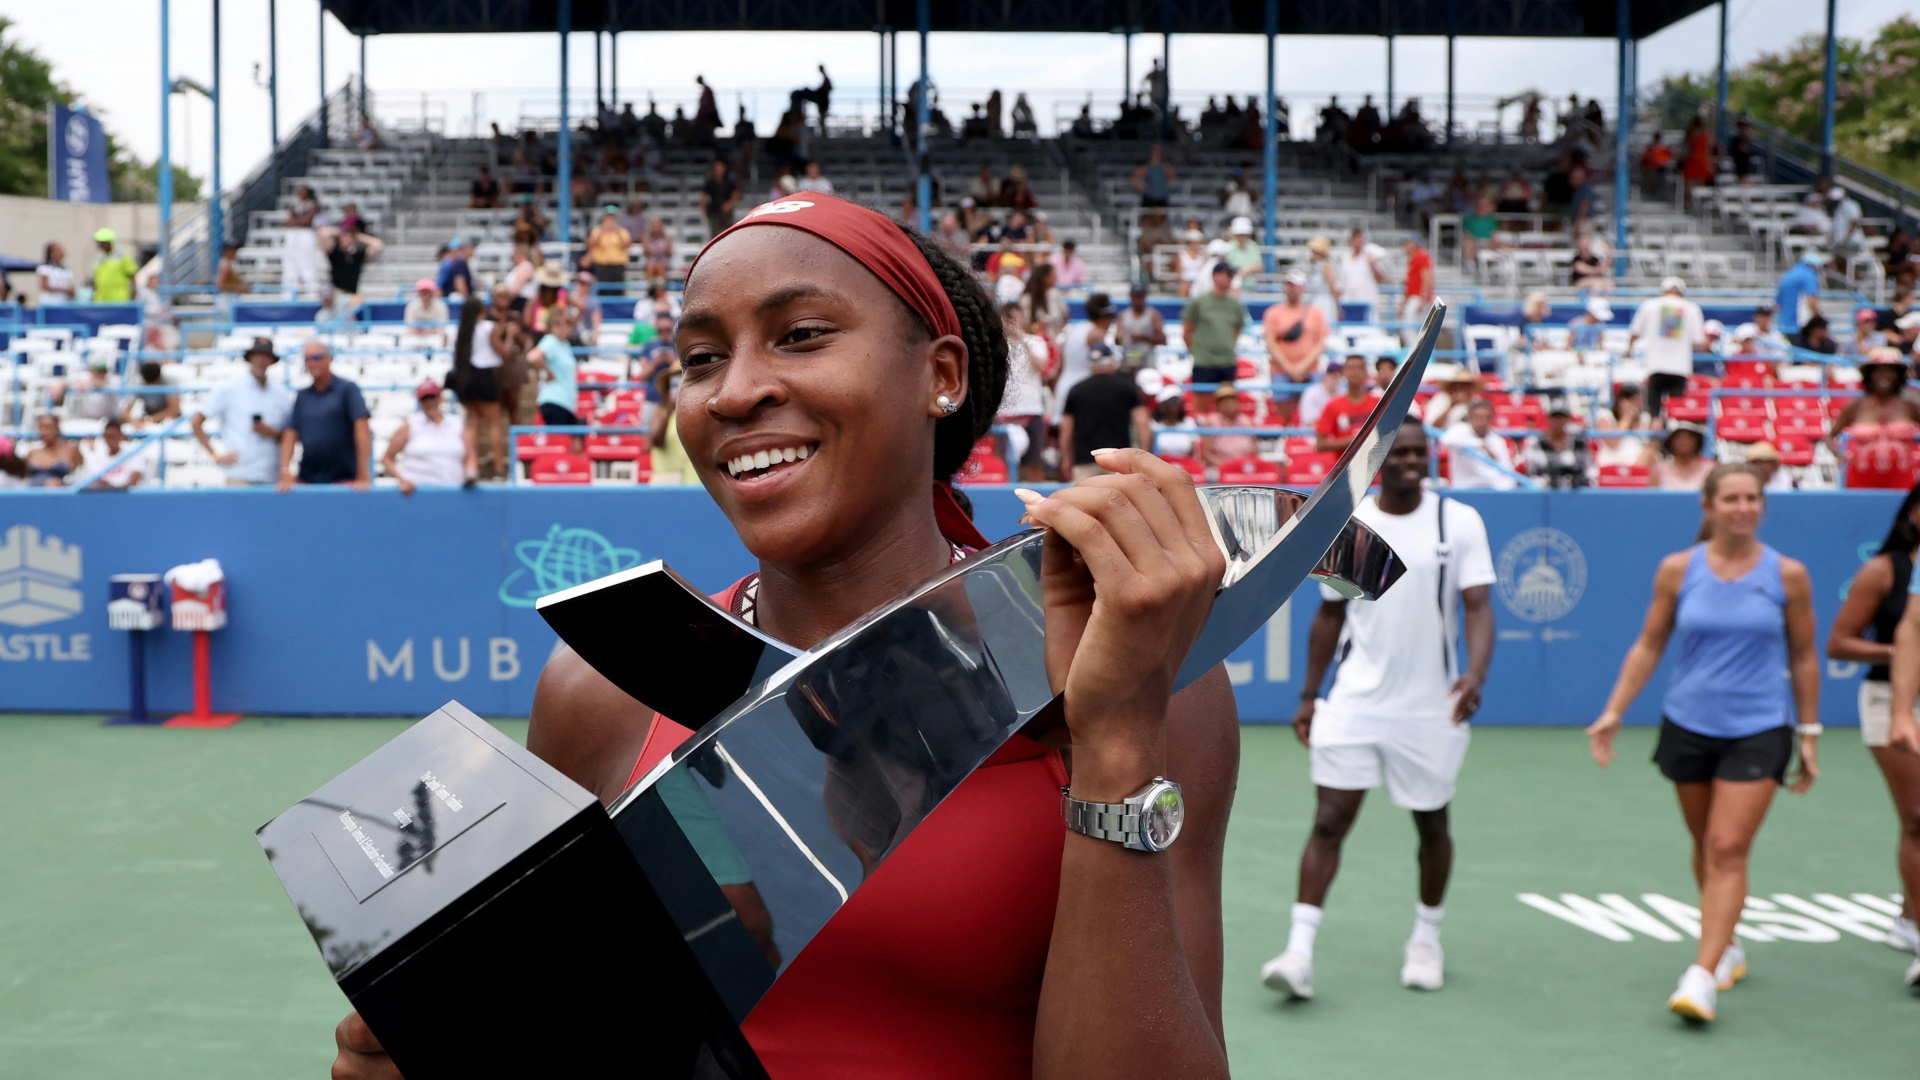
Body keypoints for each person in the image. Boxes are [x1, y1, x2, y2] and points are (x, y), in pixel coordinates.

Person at [330, 192, 1240, 1078]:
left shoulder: (1138, 679)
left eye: (801, 335)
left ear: (942, 374)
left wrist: (1116, 744)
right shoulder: (601, 688)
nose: (735, 391)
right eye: (698, 358)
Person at [1262, 417, 1495, 1000]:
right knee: (1329, 821)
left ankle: (1426, 938)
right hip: (1355, 702)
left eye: (1421, 452)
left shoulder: (1456, 521)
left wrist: (1474, 674)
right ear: (1381, 460)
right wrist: (1310, 695)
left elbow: (1479, 607)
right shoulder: (1353, 524)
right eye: (1403, 452)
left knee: (1432, 824)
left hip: (1429, 707)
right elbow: (1330, 616)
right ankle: (1298, 952)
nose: (1413, 461)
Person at [1588, 464, 1821, 1023]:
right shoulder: (1677, 569)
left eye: (1753, 499)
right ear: (1709, 505)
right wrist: (1614, 711)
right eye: (1732, 498)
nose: (1743, 508)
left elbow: (1805, 655)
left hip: (1761, 729)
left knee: (1726, 848)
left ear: (1762, 506)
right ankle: (1728, 942)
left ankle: (1701, 975)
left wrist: (1808, 733)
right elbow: (1649, 643)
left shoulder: (1788, 575)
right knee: (1704, 844)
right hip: (1688, 725)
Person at [192, 338, 292, 486]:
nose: (261, 360)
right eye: (258, 355)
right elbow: (196, 422)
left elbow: (290, 435)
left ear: (271, 360)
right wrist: (216, 455)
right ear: (250, 358)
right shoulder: (229, 388)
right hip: (240, 473)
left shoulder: (281, 394)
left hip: (270, 474)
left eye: (265, 356)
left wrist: (273, 433)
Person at [278, 341, 371, 492]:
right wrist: (285, 470)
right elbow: (291, 432)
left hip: (345, 479)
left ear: (329, 358)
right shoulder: (303, 396)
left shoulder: (348, 390)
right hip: (308, 479)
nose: (311, 363)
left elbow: (362, 429)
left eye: (316, 357)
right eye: (307, 359)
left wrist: (363, 473)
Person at [1060, 340, 1150, 480]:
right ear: (1112, 362)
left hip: (1085, 460)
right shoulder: (1127, 387)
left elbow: (1066, 428)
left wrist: (1066, 458)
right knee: (1120, 501)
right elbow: (1142, 424)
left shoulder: (1077, 390)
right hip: (1119, 461)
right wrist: (1144, 457)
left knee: (1085, 501)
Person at [1627, 277, 1705, 419]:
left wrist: (1629, 349)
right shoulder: (1691, 308)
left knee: (1653, 411)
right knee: (1675, 412)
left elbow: (1635, 332)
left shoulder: (1650, 305)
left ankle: (1654, 433)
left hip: (1655, 365)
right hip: (1680, 367)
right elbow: (1699, 341)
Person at [381, 380, 473, 495]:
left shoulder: (457, 424)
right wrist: (402, 480)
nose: (429, 402)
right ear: (420, 402)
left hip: (452, 490)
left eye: (432, 397)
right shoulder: (410, 425)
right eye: (425, 399)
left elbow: (470, 457)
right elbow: (387, 458)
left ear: (440, 398)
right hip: (418, 493)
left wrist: (470, 474)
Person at [997, 303, 1050, 483]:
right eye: (1009, 318)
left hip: (1031, 411)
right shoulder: (997, 345)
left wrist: (1021, 339)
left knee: (1034, 465)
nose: (1013, 322)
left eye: (1016, 317)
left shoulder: (1035, 342)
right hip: (1005, 414)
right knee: (1005, 466)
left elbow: (1042, 367)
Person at [1053, 292, 1116, 428]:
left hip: (1064, 386)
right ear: (1103, 317)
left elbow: (1060, 364)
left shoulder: (1075, 329)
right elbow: (1100, 368)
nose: (1111, 322)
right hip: (1082, 391)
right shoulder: (1096, 334)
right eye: (1111, 317)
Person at [1181, 263, 1247, 390]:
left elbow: (1237, 330)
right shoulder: (1199, 302)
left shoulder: (1235, 305)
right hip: (1204, 361)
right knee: (1202, 404)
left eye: (1231, 276)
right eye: (1226, 275)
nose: (1229, 279)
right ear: (1215, 276)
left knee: (1227, 404)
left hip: (1227, 361)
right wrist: (1197, 353)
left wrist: (1227, 347)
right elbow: (1187, 330)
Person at [1263, 272, 1331, 387]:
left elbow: (1321, 343)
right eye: (1289, 285)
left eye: (1295, 286)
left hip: (1310, 370)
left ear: (1302, 288)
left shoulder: (1316, 312)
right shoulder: (1273, 312)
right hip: (1280, 371)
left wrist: (1302, 367)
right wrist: (1290, 368)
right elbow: (1270, 343)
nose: (1291, 289)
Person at [1441, 399, 1517, 489]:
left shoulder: (1497, 440)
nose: (1483, 422)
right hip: (1464, 488)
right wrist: (1480, 445)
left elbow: (1506, 468)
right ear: (1470, 418)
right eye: (1479, 417)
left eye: (1487, 417)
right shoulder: (1460, 430)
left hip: (1493, 489)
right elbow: (1446, 439)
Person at [527, 306, 582, 428]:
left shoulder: (565, 345)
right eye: (557, 323)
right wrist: (548, 372)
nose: (563, 327)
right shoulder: (550, 341)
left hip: (566, 402)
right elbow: (533, 357)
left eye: (567, 323)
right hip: (555, 400)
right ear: (550, 326)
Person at [1315, 353, 1380, 454]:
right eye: (1351, 368)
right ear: (1343, 372)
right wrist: (1355, 440)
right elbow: (1320, 445)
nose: (1355, 372)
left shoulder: (1378, 403)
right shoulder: (1332, 405)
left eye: (1360, 368)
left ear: (1366, 373)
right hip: (1345, 466)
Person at [1520, 406, 1591, 488]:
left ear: (1567, 419)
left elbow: (1586, 468)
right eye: (1555, 417)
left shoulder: (1578, 443)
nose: (1558, 421)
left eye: (1561, 417)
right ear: (1549, 419)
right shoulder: (1536, 443)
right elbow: (1532, 471)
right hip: (1545, 491)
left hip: (1574, 491)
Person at [83, 419, 153, 490]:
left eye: (113, 436)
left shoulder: (132, 454)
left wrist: (115, 490)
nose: (110, 441)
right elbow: (95, 482)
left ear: (121, 436)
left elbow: (134, 479)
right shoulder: (97, 456)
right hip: (104, 497)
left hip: (126, 497)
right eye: (108, 437)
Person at [325, 223, 383, 305]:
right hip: (337, 293)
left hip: (352, 294)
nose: (347, 239)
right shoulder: (334, 252)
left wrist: (358, 236)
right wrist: (340, 230)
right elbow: (323, 233)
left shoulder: (357, 254)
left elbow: (378, 245)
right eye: (345, 237)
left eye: (349, 237)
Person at [1336, 229, 1386, 322]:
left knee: (1369, 330)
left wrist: (1373, 265)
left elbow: (1381, 278)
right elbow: (1341, 284)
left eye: (1361, 239)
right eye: (1356, 239)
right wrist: (1339, 305)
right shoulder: (1345, 259)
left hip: (1367, 300)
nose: (1359, 242)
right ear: (1351, 241)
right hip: (1349, 302)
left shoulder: (1370, 256)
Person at [281, 187, 323, 296]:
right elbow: (288, 221)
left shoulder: (312, 205)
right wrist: (297, 221)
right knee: (290, 263)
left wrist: (295, 221)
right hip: (293, 234)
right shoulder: (295, 205)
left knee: (307, 263)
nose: (299, 192)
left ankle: (312, 292)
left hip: (306, 234)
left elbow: (307, 221)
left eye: (302, 190)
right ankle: (289, 292)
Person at [1200, 388, 1257, 468]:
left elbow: (1255, 450)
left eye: (1231, 400)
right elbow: (1206, 454)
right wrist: (1225, 467)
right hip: (1220, 466)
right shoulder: (1212, 421)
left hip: (1245, 466)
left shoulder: (1246, 421)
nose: (1228, 404)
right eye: (1224, 401)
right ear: (1218, 405)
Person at [22, 414, 84, 487]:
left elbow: (82, 476)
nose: (45, 431)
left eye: (49, 427)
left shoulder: (70, 449)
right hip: (32, 493)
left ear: (57, 428)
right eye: (41, 427)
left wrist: (63, 484)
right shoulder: (32, 452)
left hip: (60, 494)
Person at [1650, 423, 1713, 491]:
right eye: (1678, 438)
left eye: (1689, 437)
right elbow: (1651, 498)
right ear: (1671, 442)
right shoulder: (1660, 469)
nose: (1683, 442)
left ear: (1697, 441)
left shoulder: (1710, 469)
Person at [1775, 252, 1825, 337]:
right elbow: (1811, 300)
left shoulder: (1788, 275)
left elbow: (1778, 304)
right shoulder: (1808, 275)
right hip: (1801, 325)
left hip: (1785, 325)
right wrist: (1820, 317)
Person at [1116, 284, 1166, 368]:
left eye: (1140, 297)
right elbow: (1117, 340)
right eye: (1135, 297)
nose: (1138, 300)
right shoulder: (1124, 315)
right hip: (1128, 359)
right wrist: (1120, 337)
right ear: (1131, 297)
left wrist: (1144, 337)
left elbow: (1162, 339)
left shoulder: (1153, 315)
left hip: (1147, 359)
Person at [124, 360, 180, 426]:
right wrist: (134, 422)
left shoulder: (170, 381)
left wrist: (151, 419)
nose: (152, 386)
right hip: (148, 416)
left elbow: (174, 410)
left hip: (167, 419)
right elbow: (125, 412)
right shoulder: (138, 383)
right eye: (149, 384)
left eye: (155, 384)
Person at [89, 229, 138, 304]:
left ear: (108, 242)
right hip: (100, 300)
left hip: (119, 300)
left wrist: (132, 296)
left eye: (101, 242)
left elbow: (132, 276)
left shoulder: (123, 257)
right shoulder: (99, 259)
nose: (98, 245)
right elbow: (96, 280)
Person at [585, 211, 633, 287]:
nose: (610, 222)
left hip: (618, 265)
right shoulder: (597, 231)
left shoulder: (622, 232)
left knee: (618, 288)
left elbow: (627, 245)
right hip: (602, 265)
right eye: (608, 219)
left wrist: (617, 232)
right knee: (603, 287)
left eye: (612, 219)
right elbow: (591, 245)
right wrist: (601, 232)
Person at [700, 159, 740, 238]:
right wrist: (703, 205)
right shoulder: (710, 182)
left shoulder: (729, 182)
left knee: (728, 232)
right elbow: (704, 195)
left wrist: (729, 203)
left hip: (726, 212)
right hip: (714, 211)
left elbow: (736, 194)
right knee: (715, 233)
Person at [1398, 238, 1434, 327]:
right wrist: (1403, 304)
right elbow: (1409, 286)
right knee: (1410, 327)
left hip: (1418, 297)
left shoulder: (1421, 256)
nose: (1404, 248)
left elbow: (1427, 278)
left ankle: (1414, 341)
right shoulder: (1412, 259)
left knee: (1410, 326)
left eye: (1406, 245)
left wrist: (1424, 298)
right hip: (1414, 297)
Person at [403, 280, 450, 344]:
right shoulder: (412, 306)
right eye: (423, 292)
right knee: (406, 341)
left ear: (432, 293)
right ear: (418, 293)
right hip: (416, 338)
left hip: (434, 337)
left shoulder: (441, 307)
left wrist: (430, 331)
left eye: (427, 292)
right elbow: (409, 326)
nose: (425, 296)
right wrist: (418, 332)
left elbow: (442, 328)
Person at [1130, 144, 1177, 208]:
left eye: (1159, 151)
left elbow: (1174, 178)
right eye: (1155, 151)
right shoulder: (1146, 168)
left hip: (1162, 198)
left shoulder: (1166, 167)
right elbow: (1133, 180)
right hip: (1149, 198)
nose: (1157, 154)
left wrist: (1168, 179)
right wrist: (1141, 187)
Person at [641, 217, 675, 284]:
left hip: (663, 261)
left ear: (662, 225)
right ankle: (650, 288)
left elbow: (669, 254)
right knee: (651, 266)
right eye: (653, 225)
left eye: (657, 225)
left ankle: (661, 288)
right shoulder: (646, 237)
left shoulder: (667, 237)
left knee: (660, 266)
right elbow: (645, 253)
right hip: (650, 261)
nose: (655, 227)